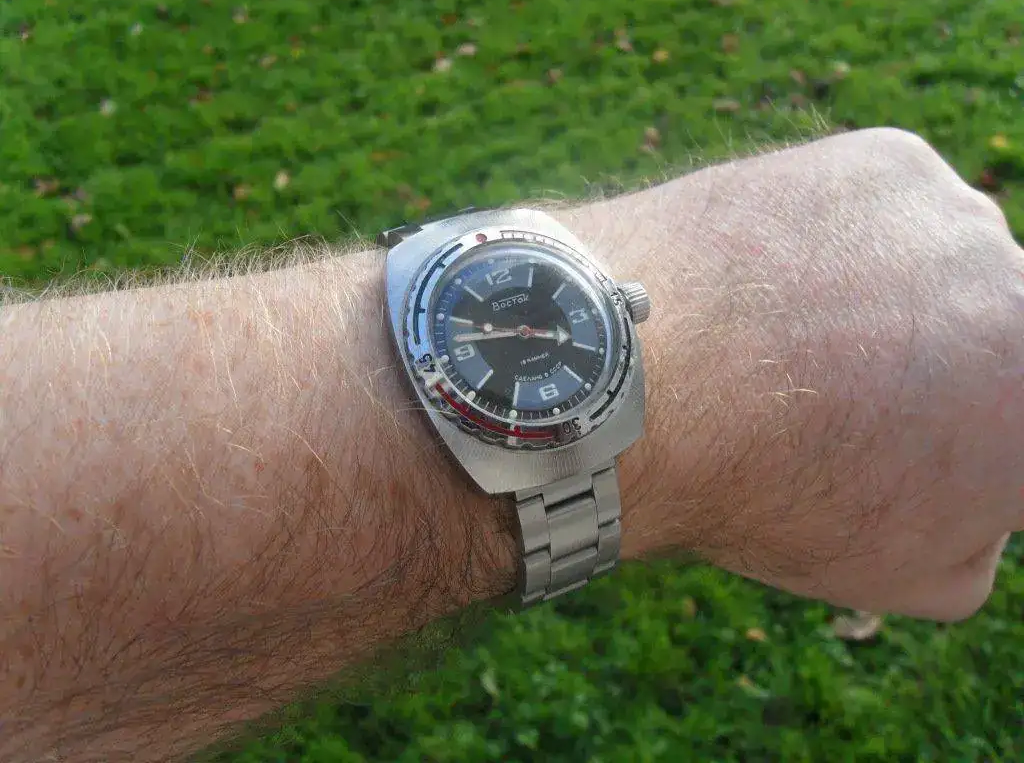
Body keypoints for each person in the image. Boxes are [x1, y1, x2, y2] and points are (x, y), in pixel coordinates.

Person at [1, 127, 1021, 762]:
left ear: (618, 305)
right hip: (509, 412)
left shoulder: (565, 320)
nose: (533, 328)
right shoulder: (457, 337)